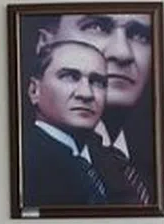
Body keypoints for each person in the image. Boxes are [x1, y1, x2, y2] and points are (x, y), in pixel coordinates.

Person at [38, 12, 156, 204]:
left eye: (140, 36)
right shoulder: (31, 161)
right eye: (96, 27)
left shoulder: (153, 166)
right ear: (45, 43)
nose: (123, 53)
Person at [21, 40, 114, 207]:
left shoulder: (115, 165)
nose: (86, 94)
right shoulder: (23, 162)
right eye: (70, 77)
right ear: (34, 90)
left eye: (97, 82)